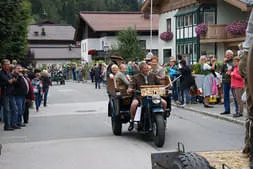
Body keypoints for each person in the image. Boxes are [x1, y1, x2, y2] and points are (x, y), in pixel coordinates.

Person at [127, 62, 167, 131]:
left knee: (164, 103)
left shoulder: (153, 75)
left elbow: (159, 84)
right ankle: (132, 120)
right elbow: (131, 85)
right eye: (144, 68)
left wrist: (165, 87)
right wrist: (130, 89)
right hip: (140, 96)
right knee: (134, 105)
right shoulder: (135, 77)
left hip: (153, 96)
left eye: (147, 68)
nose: (146, 70)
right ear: (141, 69)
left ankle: (162, 118)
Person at [220, 50, 238, 115]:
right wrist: (223, 63)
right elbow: (221, 70)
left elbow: (236, 70)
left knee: (235, 96)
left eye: (228, 55)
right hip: (225, 81)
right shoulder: (225, 62)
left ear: (231, 55)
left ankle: (237, 110)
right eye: (226, 55)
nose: (227, 56)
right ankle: (227, 110)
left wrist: (230, 72)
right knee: (226, 96)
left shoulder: (234, 61)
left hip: (232, 81)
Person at [0, 59, 16, 130]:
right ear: (2, 65)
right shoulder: (1, 73)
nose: (8, 66)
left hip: (11, 93)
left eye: (9, 64)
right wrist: (8, 81)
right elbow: (6, 81)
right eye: (6, 64)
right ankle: (7, 125)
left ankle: (13, 124)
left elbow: (12, 80)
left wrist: (13, 80)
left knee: (14, 109)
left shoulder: (8, 72)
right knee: (6, 110)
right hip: (4, 93)